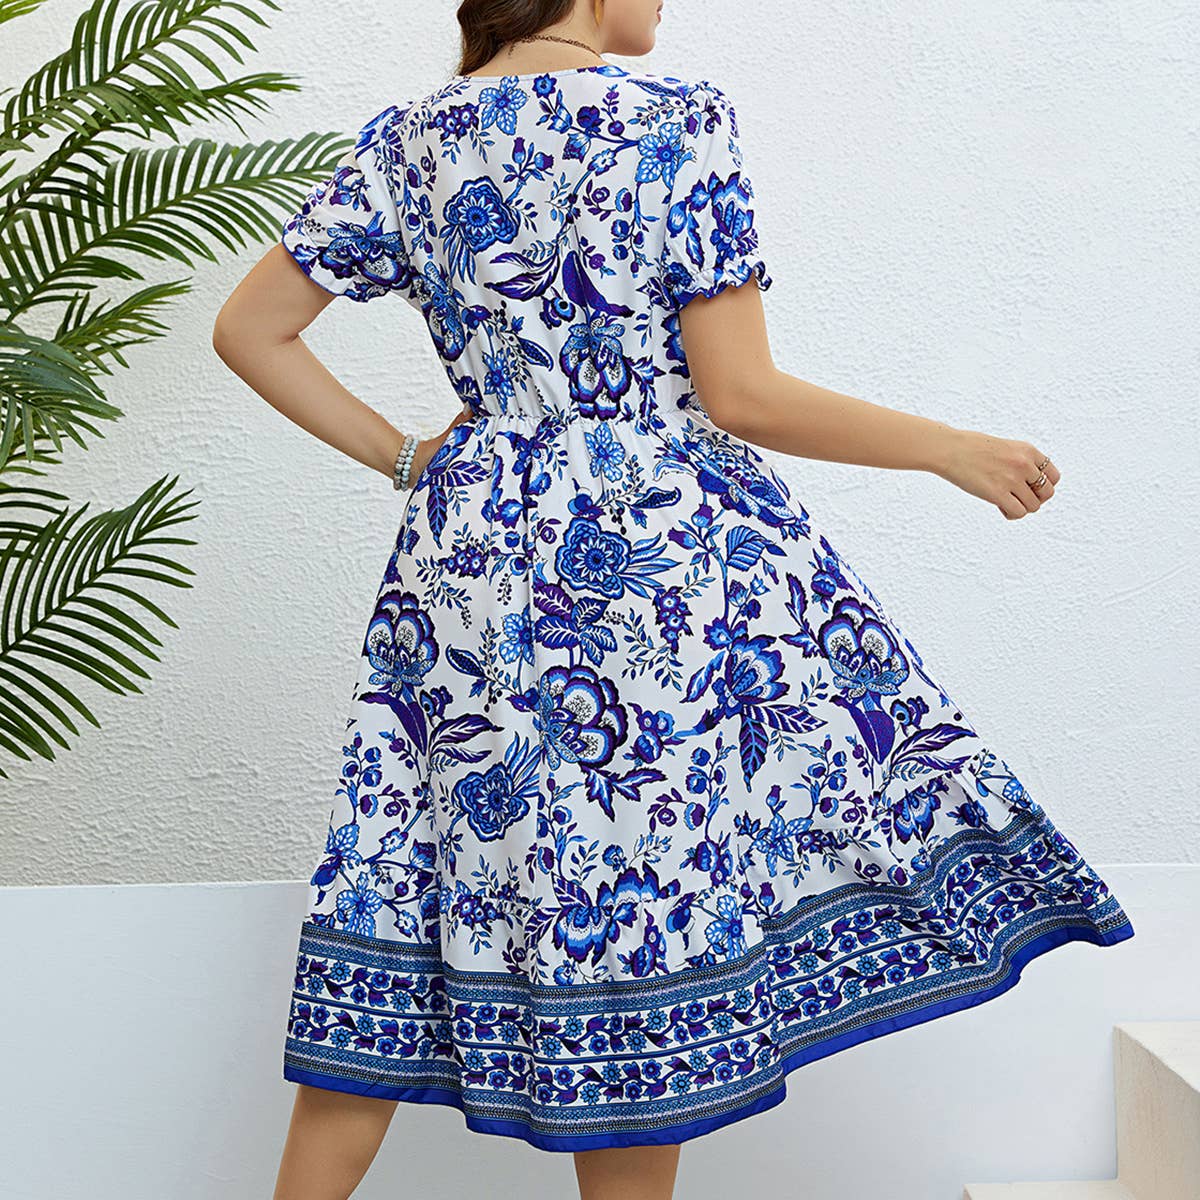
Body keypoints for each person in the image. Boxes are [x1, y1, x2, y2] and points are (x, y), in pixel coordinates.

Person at [212, 2, 1136, 1197]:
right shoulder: (671, 122)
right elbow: (740, 395)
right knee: (642, 917)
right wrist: (948, 448)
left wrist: (408, 458)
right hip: (641, 567)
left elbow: (250, 331)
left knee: (399, 875)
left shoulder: (407, 140)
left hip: (465, 560)